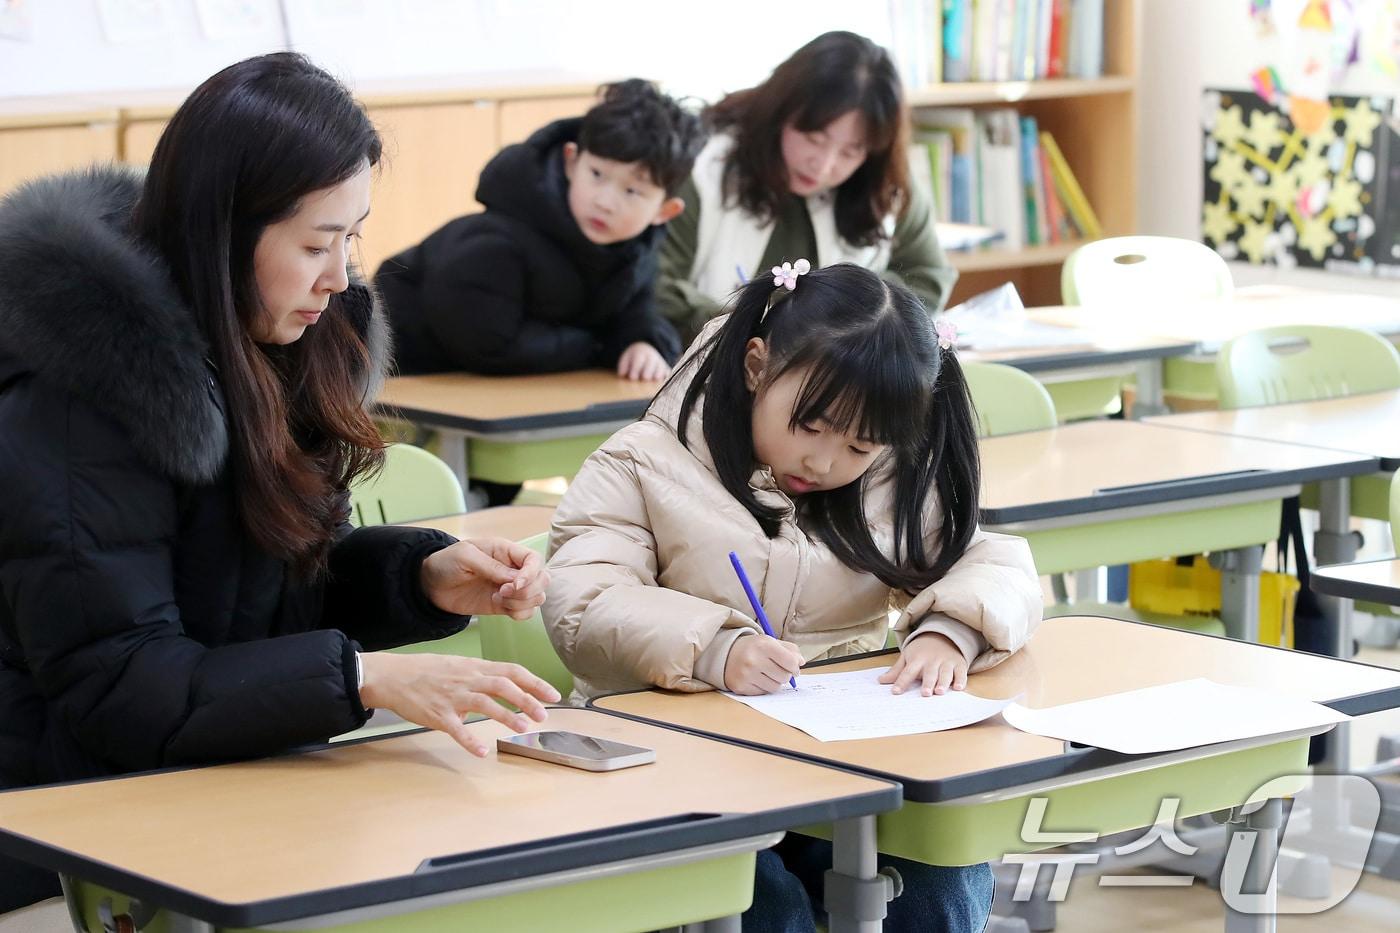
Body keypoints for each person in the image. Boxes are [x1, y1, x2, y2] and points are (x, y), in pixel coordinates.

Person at [0, 53, 559, 913]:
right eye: (314, 243)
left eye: (352, 238)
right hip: (71, 836)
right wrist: (360, 680)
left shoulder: (279, 347)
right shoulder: (76, 401)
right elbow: (120, 683)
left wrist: (417, 576)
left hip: (221, 791)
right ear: (223, 231)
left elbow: (262, 593)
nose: (339, 277)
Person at [544, 262, 1040, 931]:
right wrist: (717, 647)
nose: (825, 462)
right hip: (680, 762)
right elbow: (583, 597)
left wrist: (952, 628)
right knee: (765, 905)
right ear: (756, 366)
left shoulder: (888, 483)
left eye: (860, 443)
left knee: (936, 882)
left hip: (842, 759)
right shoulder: (641, 460)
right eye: (810, 425)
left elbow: (994, 562)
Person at [377, 78, 705, 381]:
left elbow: (638, 312)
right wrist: (601, 348)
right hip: (400, 373)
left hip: (486, 389)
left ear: (664, 211)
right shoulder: (496, 241)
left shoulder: (637, 250)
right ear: (571, 161)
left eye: (632, 191)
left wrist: (642, 343)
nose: (606, 202)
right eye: (597, 175)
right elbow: (490, 346)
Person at [656, 30, 958, 346]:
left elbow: (927, 275)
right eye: (814, 139)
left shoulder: (883, 184)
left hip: (836, 382)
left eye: (850, 151)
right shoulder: (707, 162)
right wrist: (742, 329)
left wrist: (855, 320)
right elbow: (651, 283)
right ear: (780, 110)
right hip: (708, 366)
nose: (824, 165)